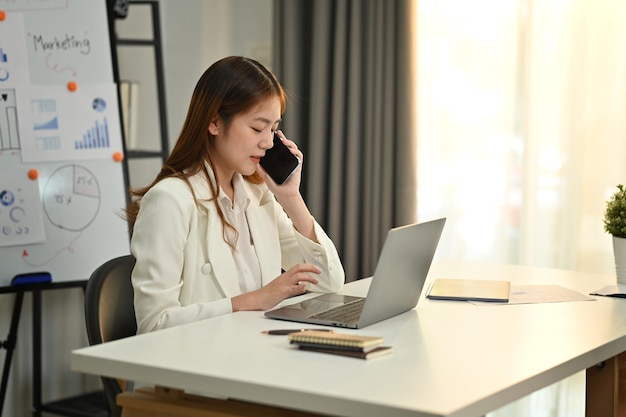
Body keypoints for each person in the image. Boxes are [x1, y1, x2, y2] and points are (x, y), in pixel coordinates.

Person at [126, 56, 345, 334]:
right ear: (215, 122)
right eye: (257, 128)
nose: (267, 142)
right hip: (203, 367)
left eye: (274, 129)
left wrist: (291, 198)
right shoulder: (170, 200)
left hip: (256, 354)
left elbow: (329, 282)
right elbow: (153, 326)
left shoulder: (258, 195)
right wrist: (253, 300)